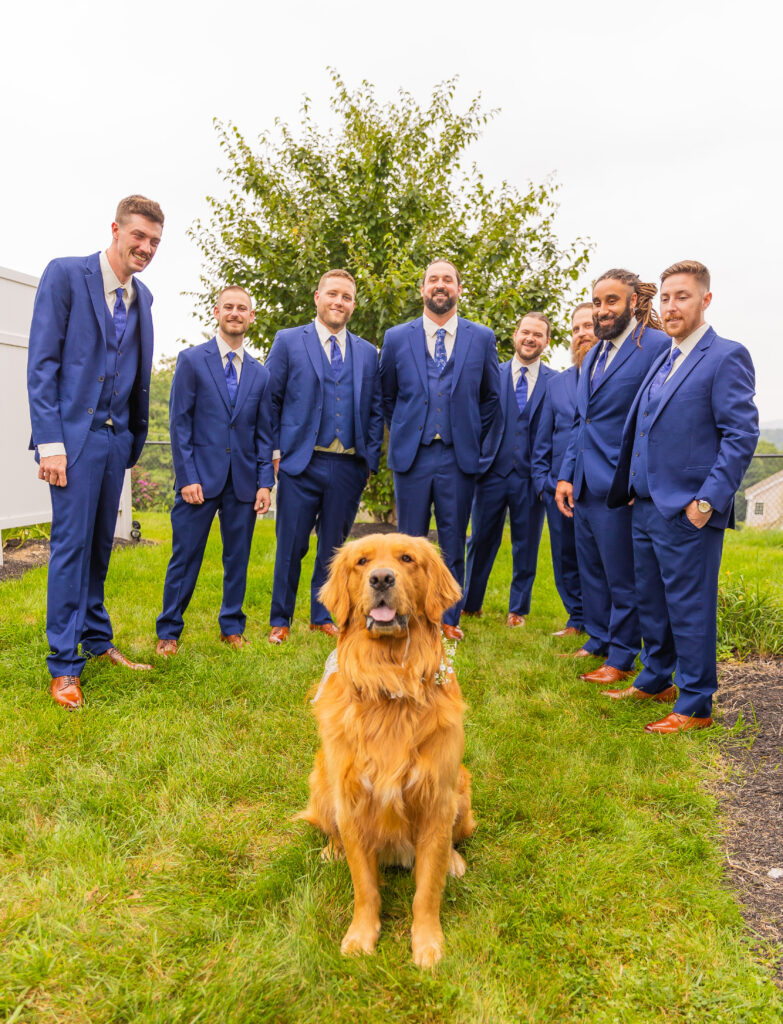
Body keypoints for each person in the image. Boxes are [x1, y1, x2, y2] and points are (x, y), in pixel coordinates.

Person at [603, 261, 758, 732]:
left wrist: (706, 502)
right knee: (651, 601)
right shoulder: (663, 359)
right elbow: (646, 428)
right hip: (646, 506)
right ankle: (656, 679)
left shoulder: (725, 356)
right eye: (666, 297)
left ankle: (694, 705)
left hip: (690, 510)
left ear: (705, 300)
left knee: (690, 609)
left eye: (683, 297)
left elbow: (740, 435)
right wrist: (631, 486)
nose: (672, 306)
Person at [27, 195, 164, 709]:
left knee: (101, 545)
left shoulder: (143, 297)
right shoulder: (65, 276)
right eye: (138, 237)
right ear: (115, 230)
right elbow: (42, 364)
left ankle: (96, 640)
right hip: (72, 440)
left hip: (115, 441)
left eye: (154, 242)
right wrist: (51, 443)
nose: (146, 248)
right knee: (70, 547)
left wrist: (130, 439)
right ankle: (64, 665)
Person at [555, 270, 669, 684]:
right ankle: (599, 638)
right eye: (597, 302)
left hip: (621, 487)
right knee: (594, 572)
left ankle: (621, 659)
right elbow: (580, 422)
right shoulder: (595, 354)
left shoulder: (655, 347)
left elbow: (656, 419)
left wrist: (640, 479)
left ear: (635, 302)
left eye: (611, 302)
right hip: (584, 484)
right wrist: (566, 475)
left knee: (624, 578)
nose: (602, 311)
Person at [379, 260, 501, 640]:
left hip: (458, 457)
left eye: (448, 279)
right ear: (423, 289)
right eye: (433, 279)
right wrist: (404, 429)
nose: (440, 285)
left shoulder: (481, 337)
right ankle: (407, 616)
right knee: (407, 544)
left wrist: (471, 438)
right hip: (412, 456)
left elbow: (491, 398)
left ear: (459, 289)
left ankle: (447, 620)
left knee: (452, 541)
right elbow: (387, 396)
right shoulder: (397, 337)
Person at [265, 269, 384, 644]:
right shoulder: (288, 341)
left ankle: (321, 615)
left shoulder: (367, 352)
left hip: (349, 465)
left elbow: (376, 409)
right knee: (291, 545)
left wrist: (369, 459)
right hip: (302, 462)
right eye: (333, 294)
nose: (339, 302)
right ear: (317, 297)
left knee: (334, 549)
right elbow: (271, 400)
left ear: (353, 304)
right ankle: (280, 620)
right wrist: (274, 452)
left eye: (346, 297)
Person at [155, 286, 274, 655]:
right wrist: (187, 476)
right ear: (216, 312)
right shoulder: (192, 360)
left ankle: (231, 627)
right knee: (185, 555)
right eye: (229, 307)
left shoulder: (260, 373)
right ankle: (169, 631)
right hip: (199, 481)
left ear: (251, 317)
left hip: (242, 482)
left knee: (237, 558)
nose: (235, 313)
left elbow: (263, 433)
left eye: (243, 308)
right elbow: (180, 425)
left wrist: (265, 483)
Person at [463, 312, 557, 626]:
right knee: (480, 540)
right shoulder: (492, 374)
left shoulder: (554, 382)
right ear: (515, 335)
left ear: (546, 341)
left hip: (532, 478)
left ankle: (518, 610)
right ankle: (470, 602)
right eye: (525, 332)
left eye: (538, 334)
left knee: (526, 544)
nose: (530, 339)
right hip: (490, 473)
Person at [532, 303, 598, 636]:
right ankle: (577, 618)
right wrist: (544, 482)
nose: (582, 334)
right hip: (558, 488)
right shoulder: (556, 384)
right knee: (565, 557)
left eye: (589, 326)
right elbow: (542, 438)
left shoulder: (613, 377)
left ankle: (605, 622)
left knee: (598, 560)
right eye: (576, 329)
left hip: (599, 486)